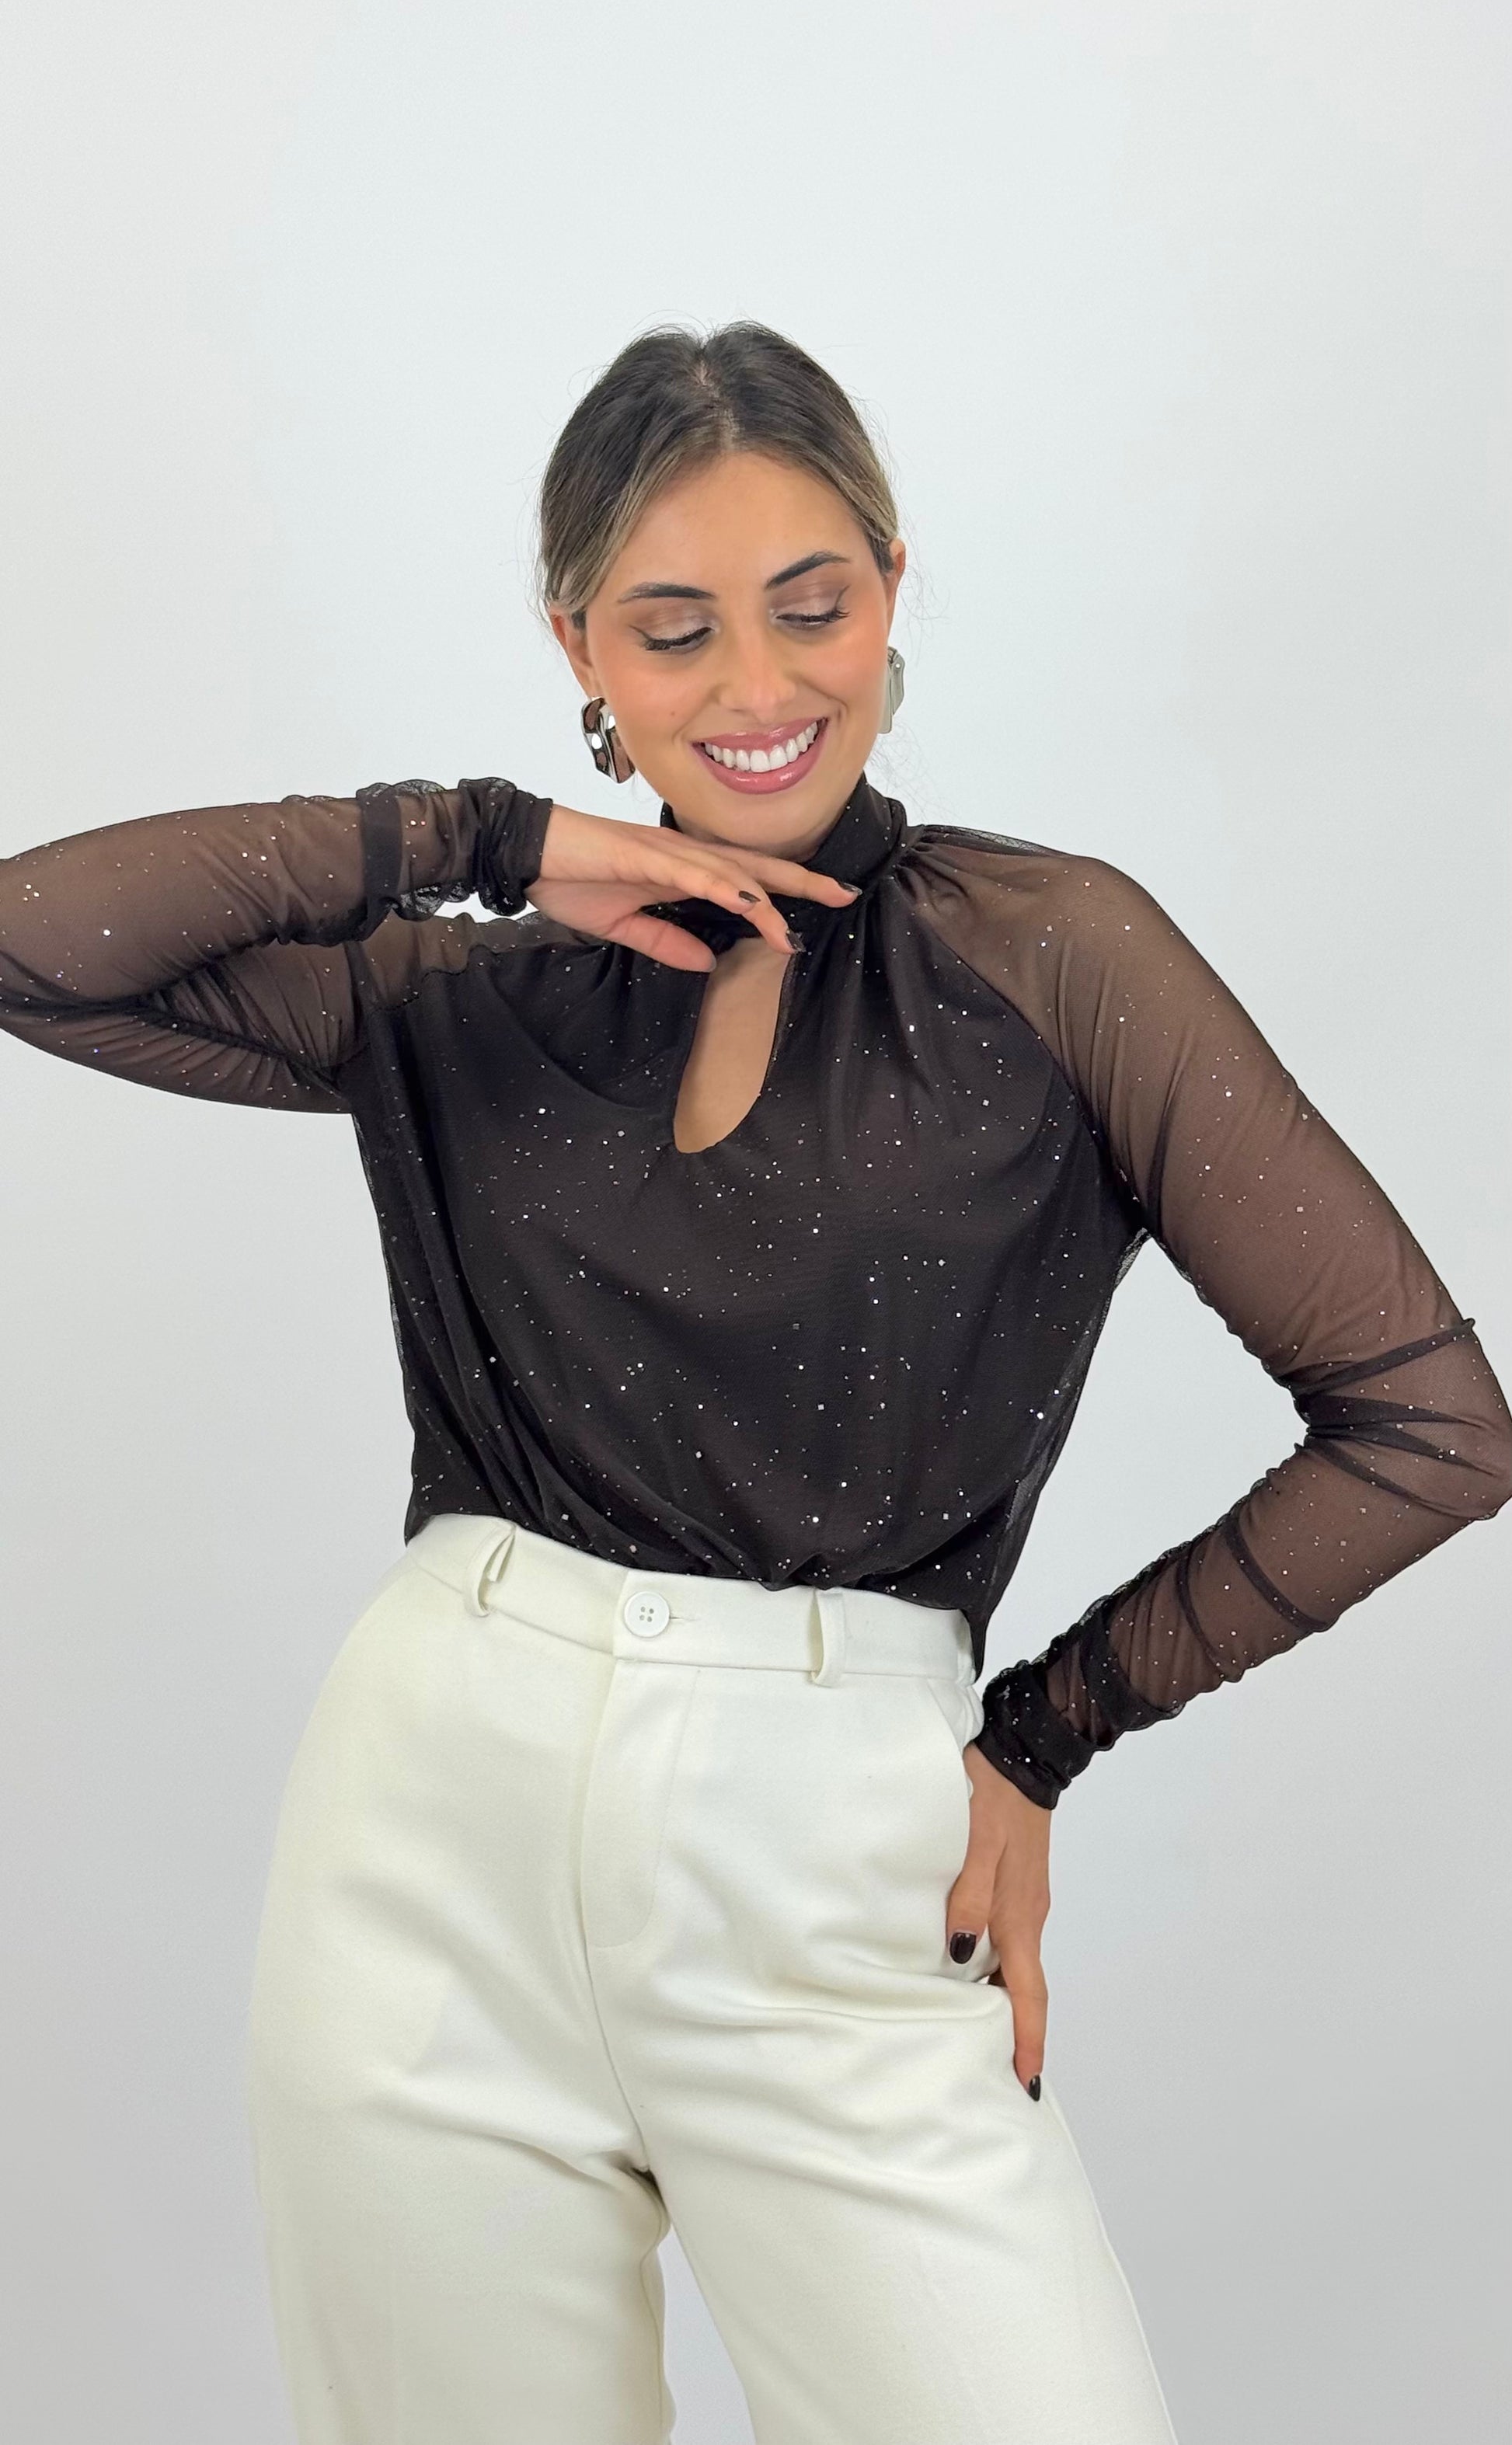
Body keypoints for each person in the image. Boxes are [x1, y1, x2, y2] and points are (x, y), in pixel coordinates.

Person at [2, 321, 1508, 2445]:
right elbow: (32, 939)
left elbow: (1427, 1424)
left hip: (836, 1858)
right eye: (672, 627)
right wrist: (481, 835)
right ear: (580, 653)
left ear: (893, 585)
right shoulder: (469, 991)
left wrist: (1041, 1735)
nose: (755, 684)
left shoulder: (1051, 950)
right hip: (425, 1843)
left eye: (811, 604)